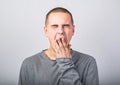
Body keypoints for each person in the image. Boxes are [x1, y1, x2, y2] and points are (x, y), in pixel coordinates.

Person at [18, 7, 99, 85]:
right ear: (46, 31)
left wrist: (65, 62)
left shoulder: (88, 62)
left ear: (73, 30)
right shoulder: (29, 64)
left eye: (66, 26)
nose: (60, 31)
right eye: (54, 26)